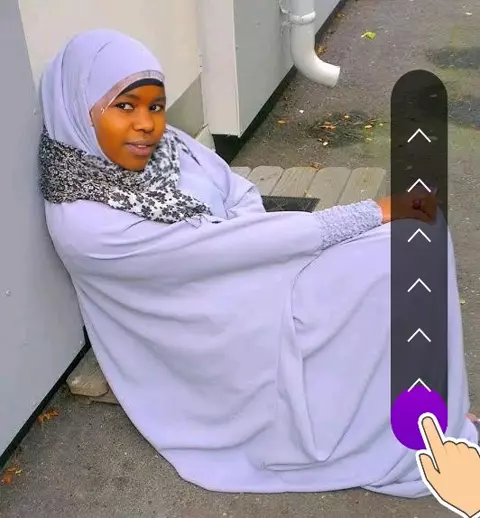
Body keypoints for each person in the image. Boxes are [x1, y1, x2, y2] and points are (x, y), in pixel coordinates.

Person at [38, 29, 478, 498]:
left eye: (155, 106)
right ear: (77, 109)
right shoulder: (87, 222)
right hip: (219, 326)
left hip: (252, 267)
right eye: (124, 106)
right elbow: (220, 247)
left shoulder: (162, 148)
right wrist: (367, 213)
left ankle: (436, 415)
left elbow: (237, 194)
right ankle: (422, 439)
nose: (146, 124)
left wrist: (256, 239)